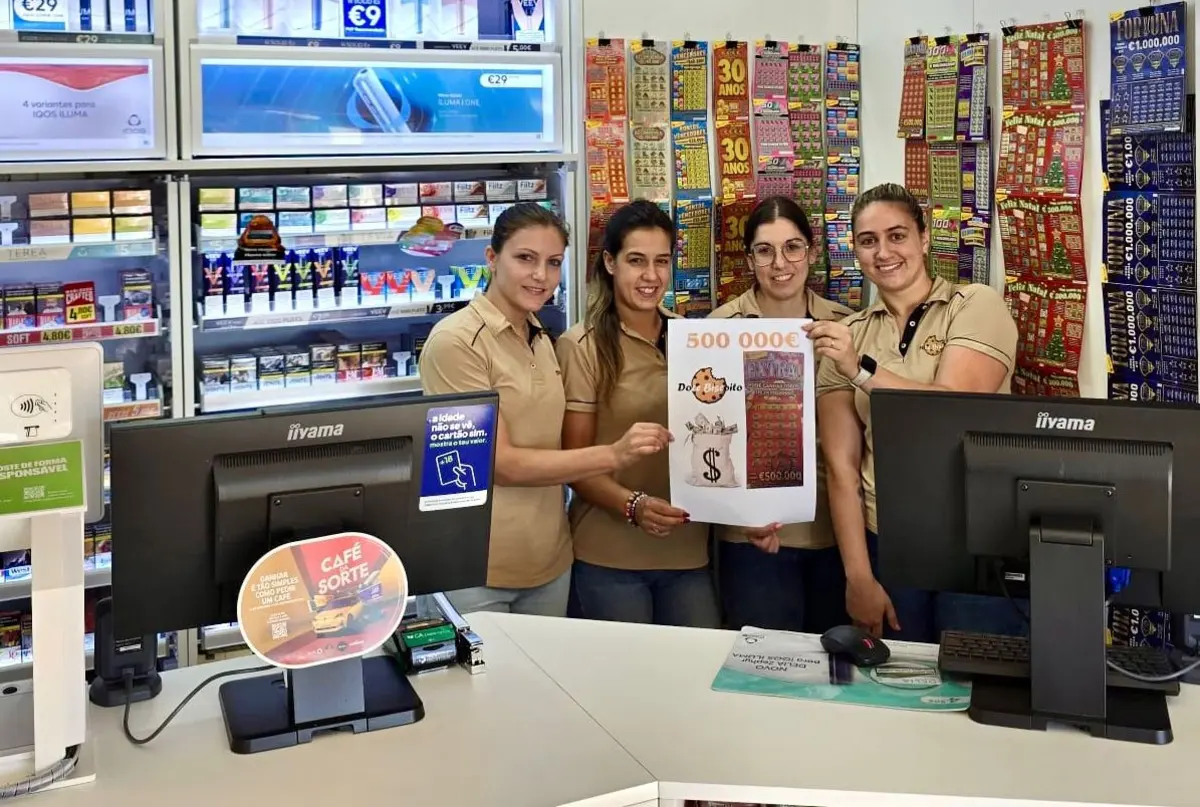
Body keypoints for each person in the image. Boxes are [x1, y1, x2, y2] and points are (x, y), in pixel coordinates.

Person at [419, 202, 670, 617]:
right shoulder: (456, 342)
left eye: (553, 263)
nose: (541, 276)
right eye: (525, 259)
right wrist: (613, 454)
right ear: (492, 258)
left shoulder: (539, 337)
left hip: (549, 563)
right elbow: (499, 463)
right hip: (477, 568)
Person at [810, 183, 1020, 641]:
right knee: (897, 689)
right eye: (868, 241)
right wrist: (858, 577)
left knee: (976, 687)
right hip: (887, 542)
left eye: (897, 235)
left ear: (923, 239)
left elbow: (952, 410)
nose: (883, 252)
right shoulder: (847, 335)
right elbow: (842, 468)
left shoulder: (975, 305)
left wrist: (860, 369)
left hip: (976, 540)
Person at [556, 200, 718, 627]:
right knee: (624, 689)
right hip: (609, 555)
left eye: (661, 261)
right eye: (636, 261)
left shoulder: (694, 339)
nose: (651, 276)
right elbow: (575, 463)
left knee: (694, 678)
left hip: (687, 551)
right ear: (610, 262)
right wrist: (633, 506)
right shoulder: (582, 346)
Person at [709, 196, 853, 633]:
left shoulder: (845, 327)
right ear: (750, 258)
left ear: (811, 252)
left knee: (835, 674)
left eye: (792, 247)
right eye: (765, 250)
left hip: (834, 531)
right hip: (752, 537)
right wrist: (739, 511)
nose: (780, 263)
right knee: (763, 673)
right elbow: (709, 438)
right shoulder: (718, 330)